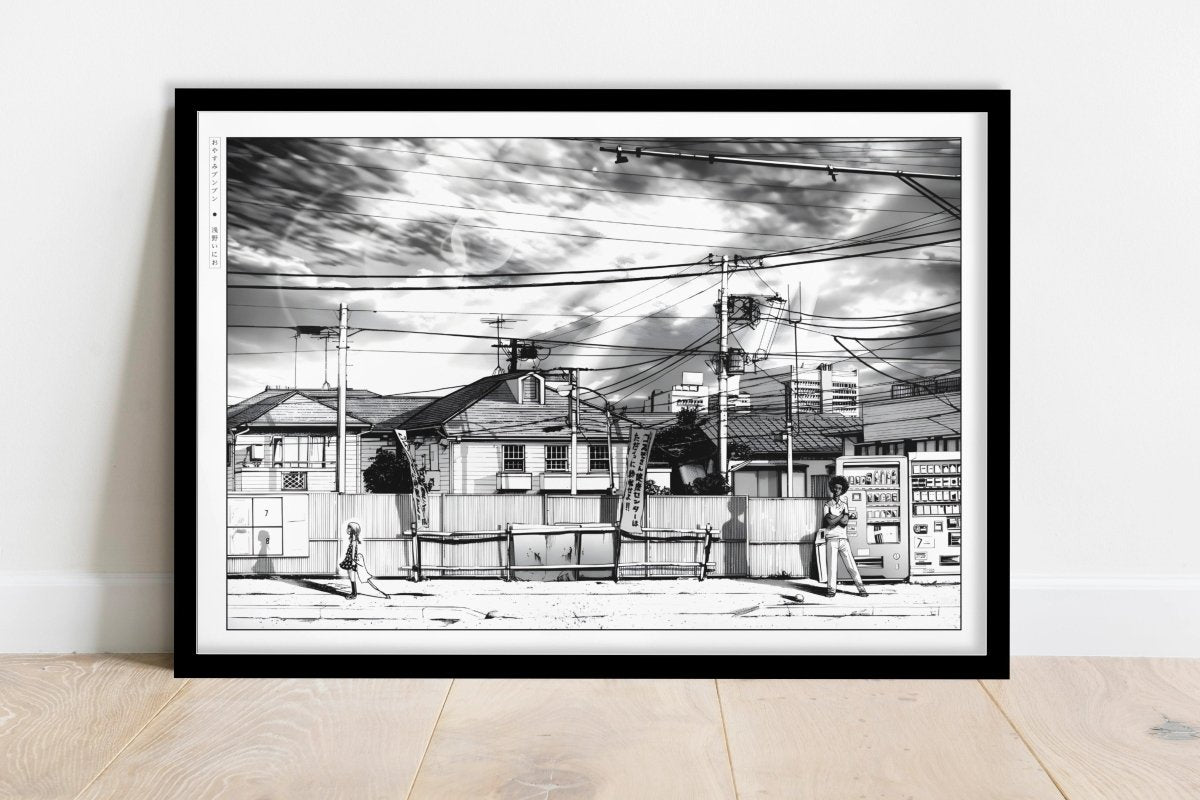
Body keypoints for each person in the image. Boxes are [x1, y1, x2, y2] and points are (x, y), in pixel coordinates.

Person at [821, 475, 868, 599]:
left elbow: (845, 522)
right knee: (832, 567)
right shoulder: (827, 505)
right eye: (835, 488)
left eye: (839, 488)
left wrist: (835, 517)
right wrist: (841, 516)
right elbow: (829, 522)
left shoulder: (844, 505)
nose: (837, 490)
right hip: (831, 538)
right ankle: (831, 590)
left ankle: (861, 588)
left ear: (842, 490)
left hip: (843, 538)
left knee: (851, 565)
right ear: (832, 488)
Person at [339, 521, 389, 599]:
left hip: (351, 561)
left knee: (352, 577)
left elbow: (353, 553)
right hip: (350, 560)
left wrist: (353, 563)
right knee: (351, 576)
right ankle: (353, 593)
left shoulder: (354, 540)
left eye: (349, 528)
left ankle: (354, 594)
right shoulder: (353, 539)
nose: (348, 529)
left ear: (353, 530)